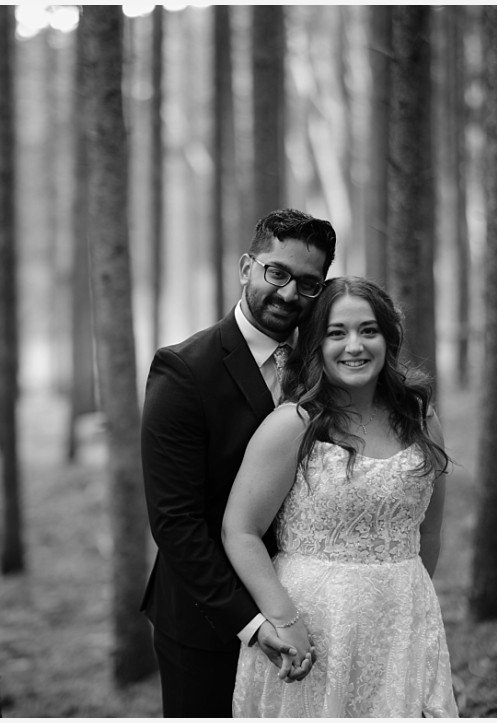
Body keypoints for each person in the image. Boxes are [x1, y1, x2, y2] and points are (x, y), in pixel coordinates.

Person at [222, 276, 459, 717]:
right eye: (337, 332)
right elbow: (240, 530)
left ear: (388, 338)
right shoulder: (292, 425)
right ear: (316, 343)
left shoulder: (421, 420)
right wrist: (284, 620)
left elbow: (429, 531)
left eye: (368, 330)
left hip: (401, 627)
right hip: (312, 627)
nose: (355, 345)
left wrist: (402, 605)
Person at [140, 208, 338, 717]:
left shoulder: (327, 365)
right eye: (278, 272)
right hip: (208, 623)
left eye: (309, 283)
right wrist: (253, 623)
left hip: (309, 613)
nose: (290, 293)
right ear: (248, 266)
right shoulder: (184, 370)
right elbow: (175, 523)